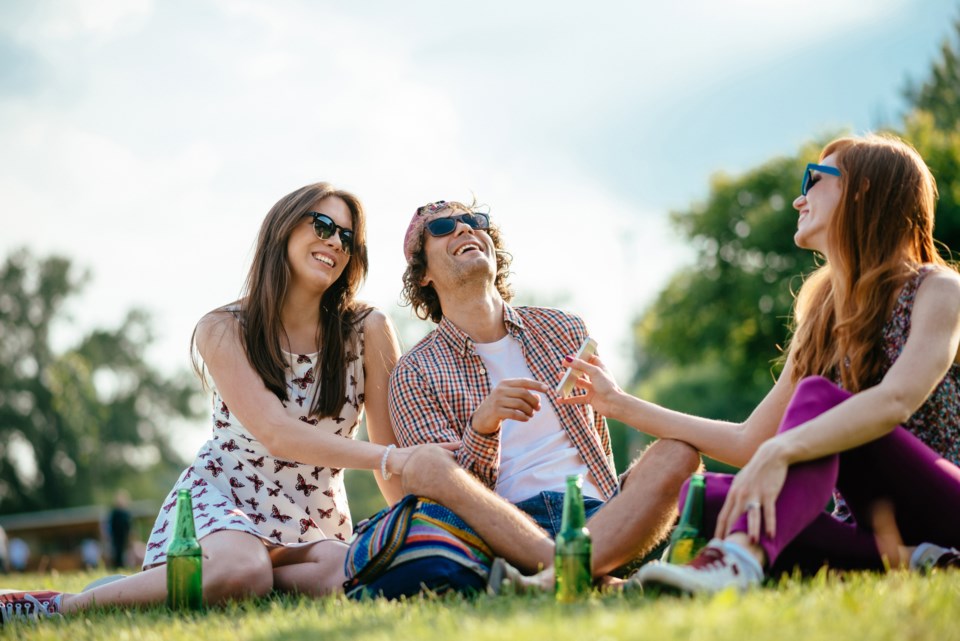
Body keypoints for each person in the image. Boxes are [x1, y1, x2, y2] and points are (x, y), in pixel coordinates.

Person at [0, 182, 440, 622]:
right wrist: (393, 459)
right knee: (243, 569)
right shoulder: (223, 327)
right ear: (283, 229)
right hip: (224, 498)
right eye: (322, 224)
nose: (334, 242)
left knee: (341, 577)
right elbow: (276, 432)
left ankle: (185, 582)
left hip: (312, 516)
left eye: (347, 237)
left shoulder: (369, 329)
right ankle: (60, 606)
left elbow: (389, 447)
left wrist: (427, 530)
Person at [557, 134, 960, 593]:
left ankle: (740, 559)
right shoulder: (824, 314)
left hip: (944, 504)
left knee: (817, 400)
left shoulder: (938, 289)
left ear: (864, 189)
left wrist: (783, 448)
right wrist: (619, 403)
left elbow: (896, 400)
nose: (798, 198)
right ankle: (920, 559)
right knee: (702, 498)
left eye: (814, 178)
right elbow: (751, 440)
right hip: (873, 526)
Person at [389, 199, 700, 588]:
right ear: (422, 276)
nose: (464, 229)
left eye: (473, 221)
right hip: (502, 530)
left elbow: (597, 441)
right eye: (442, 228)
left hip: (596, 516)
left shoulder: (564, 328)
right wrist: (483, 428)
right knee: (424, 467)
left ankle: (557, 576)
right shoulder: (414, 371)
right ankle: (588, 575)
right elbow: (445, 497)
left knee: (679, 453)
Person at [106, 490, 133, 568]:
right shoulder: (114, 513)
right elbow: (110, 526)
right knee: (117, 552)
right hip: (116, 536)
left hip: (124, 536)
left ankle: (124, 565)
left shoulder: (126, 513)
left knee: (126, 552)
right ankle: (117, 566)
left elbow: (129, 526)